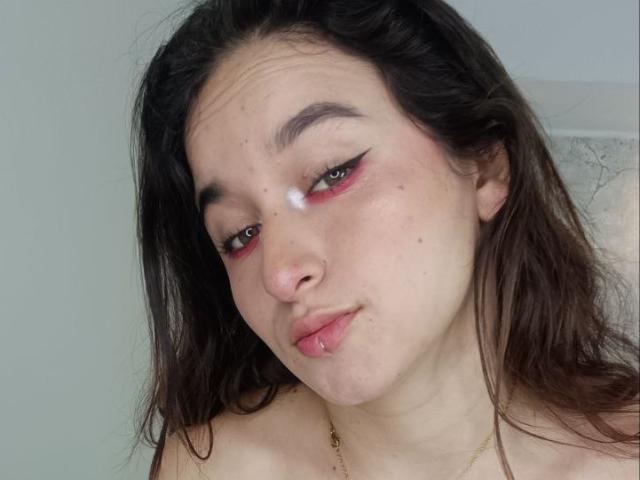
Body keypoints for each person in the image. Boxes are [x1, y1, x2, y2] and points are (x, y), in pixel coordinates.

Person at [130, 1, 639, 478]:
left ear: (484, 167)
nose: (280, 273)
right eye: (240, 234)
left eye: (331, 173)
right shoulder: (210, 467)